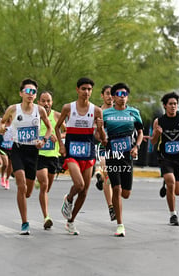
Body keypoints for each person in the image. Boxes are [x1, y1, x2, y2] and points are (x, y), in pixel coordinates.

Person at [0, 78, 52, 235]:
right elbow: (2, 123)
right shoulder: (13, 109)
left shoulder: (40, 110)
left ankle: (28, 191)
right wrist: (2, 128)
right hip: (17, 149)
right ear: (21, 93)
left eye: (33, 91)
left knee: (28, 191)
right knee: (21, 184)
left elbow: (49, 128)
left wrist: (43, 140)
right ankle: (24, 222)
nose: (30, 94)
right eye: (28, 91)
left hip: (33, 151)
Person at [55, 77, 105, 235]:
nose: (87, 92)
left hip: (88, 153)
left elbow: (100, 138)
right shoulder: (68, 108)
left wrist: (100, 128)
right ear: (77, 90)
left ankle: (71, 221)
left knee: (84, 192)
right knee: (79, 184)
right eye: (83, 89)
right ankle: (69, 199)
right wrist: (61, 145)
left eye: (89, 89)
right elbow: (57, 128)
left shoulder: (97, 111)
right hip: (72, 153)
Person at [147, 92, 179, 226]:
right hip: (165, 157)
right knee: (171, 181)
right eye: (170, 104)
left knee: (178, 191)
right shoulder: (159, 121)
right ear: (165, 106)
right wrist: (157, 133)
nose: (173, 106)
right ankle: (173, 215)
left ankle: (166, 184)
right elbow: (153, 142)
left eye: (175, 104)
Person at [102, 82, 143, 237]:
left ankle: (115, 202)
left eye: (125, 94)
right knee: (117, 188)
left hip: (127, 155)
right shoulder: (105, 114)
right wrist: (102, 137)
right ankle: (120, 225)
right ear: (113, 97)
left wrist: (136, 147)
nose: (122, 97)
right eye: (119, 94)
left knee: (126, 193)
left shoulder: (134, 112)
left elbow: (140, 133)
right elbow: (98, 134)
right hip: (112, 154)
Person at [36, 91, 65, 230]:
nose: (46, 104)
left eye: (48, 101)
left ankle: (40, 188)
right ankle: (46, 216)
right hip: (38, 155)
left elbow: (67, 131)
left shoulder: (57, 115)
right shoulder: (34, 115)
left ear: (52, 102)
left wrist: (57, 136)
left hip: (53, 156)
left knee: (46, 188)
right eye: (43, 101)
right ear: (38, 102)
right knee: (44, 183)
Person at [95, 85, 116, 221]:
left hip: (117, 148)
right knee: (106, 171)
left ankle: (99, 176)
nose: (110, 97)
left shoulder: (119, 112)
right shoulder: (98, 111)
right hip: (101, 146)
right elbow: (94, 133)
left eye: (112, 94)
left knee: (111, 178)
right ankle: (111, 207)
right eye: (107, 94)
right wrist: (102, 137)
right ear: (102, 95)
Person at [0, 117, 13, 190]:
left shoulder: (15, 122)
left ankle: (7, 180)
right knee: (5, 164)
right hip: (3, 147)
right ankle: (2, 176)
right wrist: (3, 129)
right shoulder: (2, 122)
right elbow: (0, 130)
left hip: (12, 147)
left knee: (10, 165)